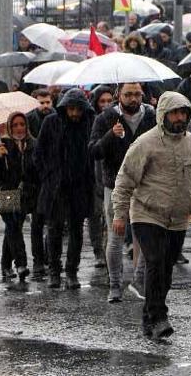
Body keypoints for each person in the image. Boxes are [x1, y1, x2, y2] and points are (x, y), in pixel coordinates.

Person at [112, 92, 191, 340]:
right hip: (148, 214)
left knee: (166, 270)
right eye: (174, 113)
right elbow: (125, 180)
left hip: (179, 218)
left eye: (183, 113)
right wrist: (119, 214)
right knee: (155, 262)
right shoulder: (145, 144)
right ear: (163, 115)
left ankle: (149, 317)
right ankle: (160, 316)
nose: (179, 118)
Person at [89, 83, 156, 302]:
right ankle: (115, 285)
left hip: (145, 184)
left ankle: (139, 279)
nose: (133, 99)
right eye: (128, 94)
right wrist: (110, 135)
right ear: (119, 95)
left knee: (145, 235)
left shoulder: (152, 116)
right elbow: (94, 151)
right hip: (116, 185)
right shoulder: (106, 118)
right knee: (116, 236)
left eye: (137, 94)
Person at [35, 89, 96, 290]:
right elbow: (39, 153)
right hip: (56, 187)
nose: (75, 114)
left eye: (78, 109)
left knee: (77, 230)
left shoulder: (89, 123)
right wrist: (49, 176)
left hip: (80, 187)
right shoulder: (51, 123)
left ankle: (71, 272)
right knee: (54, 229)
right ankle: (54, 271)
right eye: (71, 109)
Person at [0, 112, 40, 283]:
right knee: (13, 227)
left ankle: (5, 264)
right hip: (6, 193)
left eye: (22, 124)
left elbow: (35, 171)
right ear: (10, 128)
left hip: (25, 194)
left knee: (13, 228)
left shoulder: (33, 144)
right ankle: (21, 264)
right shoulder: (2, 144)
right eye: (15, 125)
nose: (19, 128)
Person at [88, 86, 114, 268]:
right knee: (95, 214)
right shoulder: (91, 120)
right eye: (102, 101)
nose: (105, 105)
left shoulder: (116, 118)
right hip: (92, 172)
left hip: (110, 170)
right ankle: (98, 250)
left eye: (109, 101)